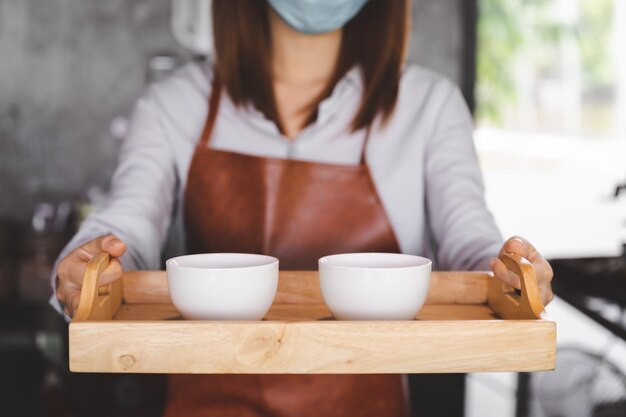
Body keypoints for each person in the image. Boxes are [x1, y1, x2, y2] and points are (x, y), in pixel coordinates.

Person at [51, 0, 554, 416]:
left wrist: (510, 272)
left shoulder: (429, 106)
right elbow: (128, 221)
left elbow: (469, 239)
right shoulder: (172, 105)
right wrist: (90, 265)